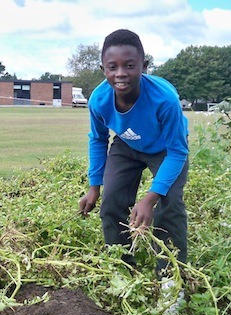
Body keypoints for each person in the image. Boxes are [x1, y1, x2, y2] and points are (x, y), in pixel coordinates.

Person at [78, 29, 189, 279]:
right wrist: (94, 187)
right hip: (127, 144)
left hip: (165, 149)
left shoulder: (165, 99)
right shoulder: (99, 100)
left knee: (168, 203)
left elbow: (177, 151)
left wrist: (149, 199)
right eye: (112, 67)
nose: (120, 74)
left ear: (144, 65)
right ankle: (123, 271)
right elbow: (98, 139)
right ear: (103, 69)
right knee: (112, 202)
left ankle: (170, 279)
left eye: (129, 65)